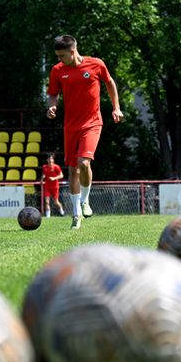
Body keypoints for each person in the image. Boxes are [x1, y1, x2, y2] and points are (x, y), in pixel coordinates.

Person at [46, 34, 123, 230]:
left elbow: (109, 82)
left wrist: (116, 107)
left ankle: (85, 200)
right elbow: (53, 94)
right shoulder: (57, 71)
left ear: (73, 51)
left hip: (92, 123)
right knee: (73, 170)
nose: (59, 60)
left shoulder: (96, 64)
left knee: (84, 162)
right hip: (70, 127)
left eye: (62, 55)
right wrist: (52, 106)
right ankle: (76, 215)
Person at [41, 153, 65, 217]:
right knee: (47, 202)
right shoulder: (44, 167)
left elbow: (61, 175)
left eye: (51, 158)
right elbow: (44, 174)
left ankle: (61, 210)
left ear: (53, 160)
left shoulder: (56, 167)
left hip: (55, 187)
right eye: (49, 158)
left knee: (56, 202)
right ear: (47, 160)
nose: (50, 160)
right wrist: (42, 178)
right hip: (47, 187)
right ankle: (48, 216)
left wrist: (54, 178)